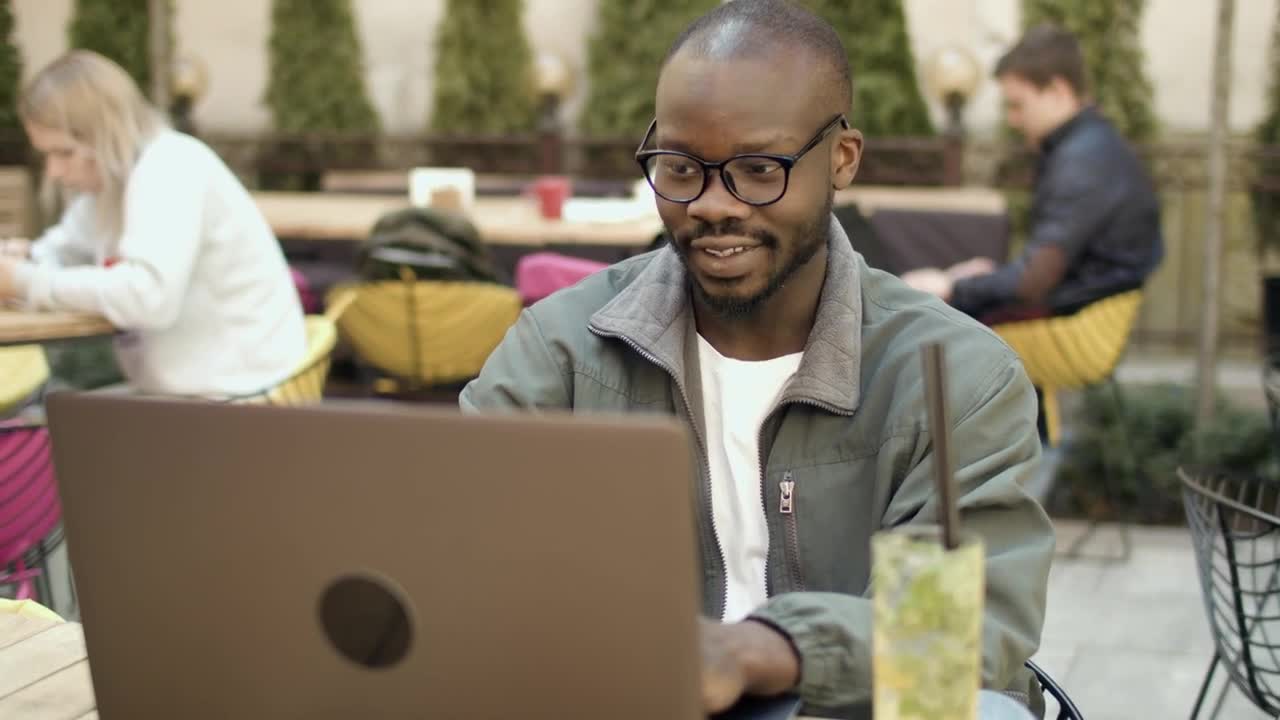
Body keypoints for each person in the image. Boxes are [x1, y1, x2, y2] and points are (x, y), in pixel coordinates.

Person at [461, 1, 1053, 717]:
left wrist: (756, 651)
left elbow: (943, 641)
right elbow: (458, 560)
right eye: (681, 167)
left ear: (842, 160)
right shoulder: (562, 350)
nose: (712, 204)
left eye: (756, 168)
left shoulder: (950, 377)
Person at [0, 51, 305, 397]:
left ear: (105, 135)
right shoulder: (112, 180)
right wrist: (24, 259)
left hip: (241, 397)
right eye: (47, 155)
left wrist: (25, 281)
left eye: (64, 153)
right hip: (193, 391)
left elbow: (148, 297)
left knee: (56, 421)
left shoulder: (168, 168)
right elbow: (63, 247)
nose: (53, 172)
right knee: (59, 414)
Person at [903, 25, 1164, 323]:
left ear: (1057, 91)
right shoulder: (1092, 146)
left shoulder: (1082, 160)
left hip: (1068, 327)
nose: (1013, 119)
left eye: (1018, 105)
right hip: (1081, 316)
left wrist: (951, 287)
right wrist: (983, 280)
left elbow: (1032, 282)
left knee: (928, 320)